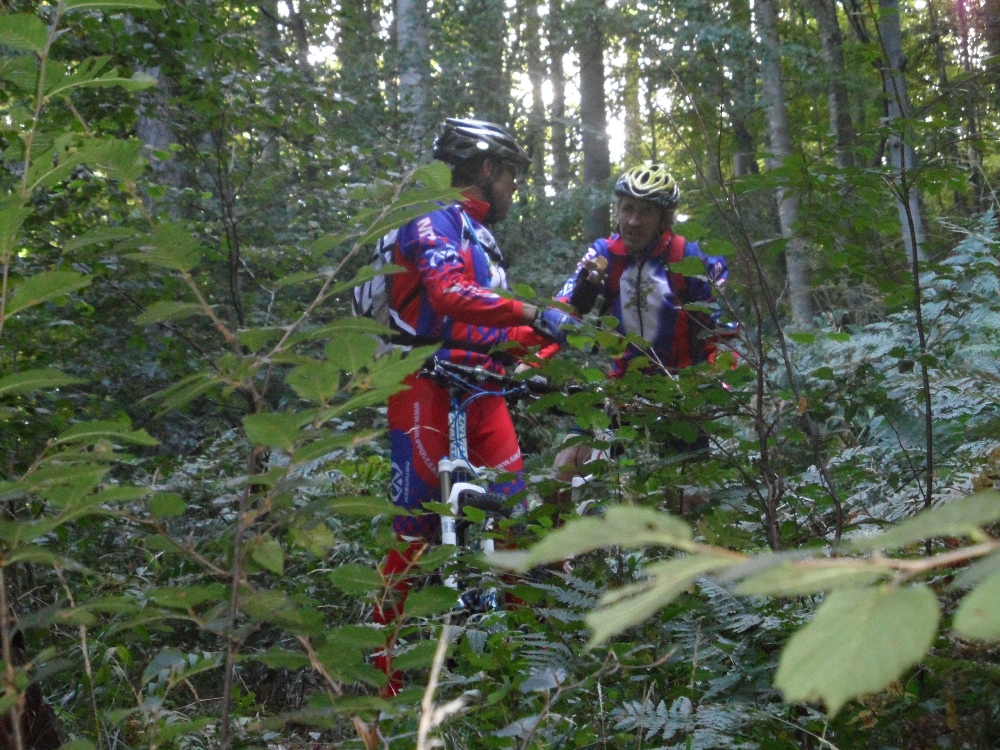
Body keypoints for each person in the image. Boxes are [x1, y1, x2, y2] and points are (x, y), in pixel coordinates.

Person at [373, 118, 576, 694]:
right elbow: (447, 294)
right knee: (413, 532)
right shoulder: (432, 218)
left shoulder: (479, 235)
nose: (514, 187)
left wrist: (552, 336)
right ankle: (382, 680)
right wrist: (530, 312)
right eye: (510, 174)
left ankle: (527, 674)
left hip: (483, 387)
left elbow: (486, 330)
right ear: (487, 169)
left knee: (515, 520)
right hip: (423, 383)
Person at [550, 163, 733, 492]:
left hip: (680, 389)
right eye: (627, 208)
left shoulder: (688, 258)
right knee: (565, 470)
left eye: (646, 211)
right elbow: (561, 311)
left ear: (664, 218)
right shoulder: (604, 254)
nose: (633, 221)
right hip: (622, 386)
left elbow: (719, 330)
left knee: (688, 496)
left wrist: (715, 383)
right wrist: (537, 351)